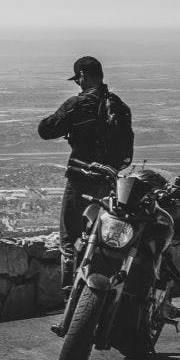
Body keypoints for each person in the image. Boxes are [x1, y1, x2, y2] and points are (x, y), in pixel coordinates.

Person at [37, 56, 132, 299]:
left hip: (81, 180)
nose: (78, 83)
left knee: (70, 239)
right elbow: (126, 152)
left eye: (78, 78)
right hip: (110, 186)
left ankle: (71, 293)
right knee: (103, 238)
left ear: (83, 76)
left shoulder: (77, 105)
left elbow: (46, 130)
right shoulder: (120, 107)